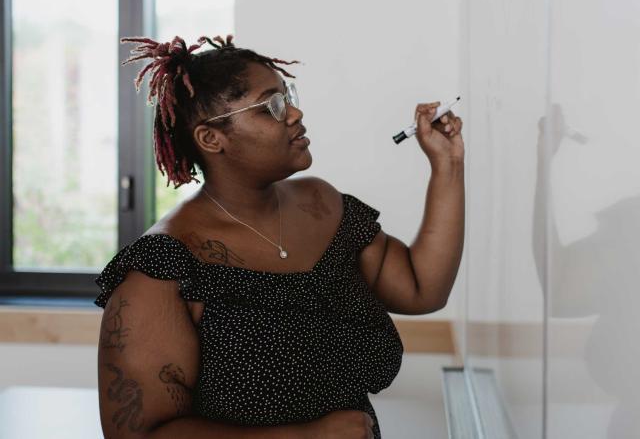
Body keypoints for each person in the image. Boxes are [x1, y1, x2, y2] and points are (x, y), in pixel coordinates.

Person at [94, 33, 465, 439]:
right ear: (211, 138)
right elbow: (139, 434)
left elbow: (421, 288)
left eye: (287, 95)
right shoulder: (162, 270)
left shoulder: (322, 205)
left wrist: (447, 166)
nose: (294, 113)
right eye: (271, 106)